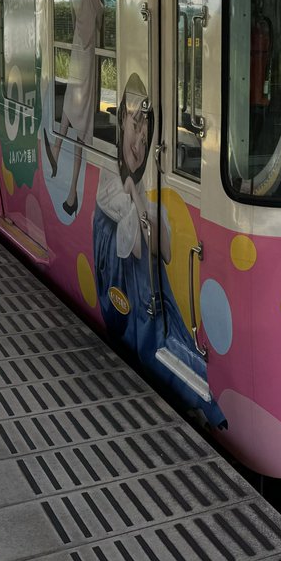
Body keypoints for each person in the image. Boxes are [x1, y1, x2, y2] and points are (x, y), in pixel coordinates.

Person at [92, 74, 225, 426]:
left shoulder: (141, 192)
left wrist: (138, 198)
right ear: (119, 120)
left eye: (146, 132)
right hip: (131, 313)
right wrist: (137, 202)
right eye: (134, 125)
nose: (138, 140)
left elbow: (164, 250)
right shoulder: (108, 186)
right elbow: (135, 248)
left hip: (154, 310)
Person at [43, 0, 104, 215]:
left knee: (78, 106)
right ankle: (70, 189)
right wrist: (92, 14)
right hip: (85, 23)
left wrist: (92, 14)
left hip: (86, 21)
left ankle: (69, 186)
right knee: (81, 106)